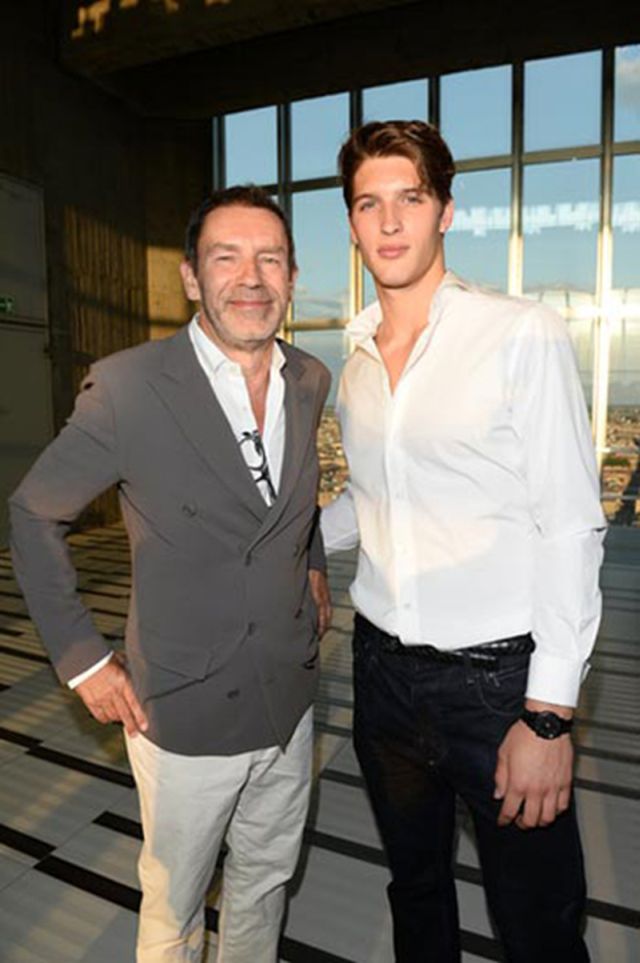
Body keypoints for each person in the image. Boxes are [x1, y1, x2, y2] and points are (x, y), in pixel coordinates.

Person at [9, 185, 332, 963]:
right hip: (185, 709)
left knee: (265, 879)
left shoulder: (310, 378)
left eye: (270, 259)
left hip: (289, 695)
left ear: (292, 277)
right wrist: (83, 658)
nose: (250, 277)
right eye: (227, 258)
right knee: (176, 903)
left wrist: (313, 563)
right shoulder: (129, 386)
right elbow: (33, 512)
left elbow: (293, 494)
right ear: (191, 276)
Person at [321, 121, 605, 963]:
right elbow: (371, 496)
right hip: (381, 675)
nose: (389, 221)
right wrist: (285, 544)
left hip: (498, 684)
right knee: (415, 892)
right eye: (368, 203)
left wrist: (547, 717)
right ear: (350, 222)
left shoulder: (519, 332)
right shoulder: (357, 359)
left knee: (538, 923)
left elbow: (569, 521)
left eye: (410, 198)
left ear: (446, 210)